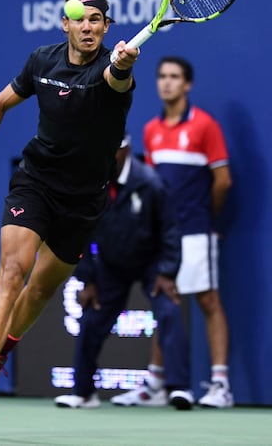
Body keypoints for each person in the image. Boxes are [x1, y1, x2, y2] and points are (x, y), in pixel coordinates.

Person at [0, 0, 139, 420]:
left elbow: (116, 81)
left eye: (96, 21)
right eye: (78, 19)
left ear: (107, 27)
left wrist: (124, 65)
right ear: (63, 23)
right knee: (12, 270)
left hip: (84, 200)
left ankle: (0, 349)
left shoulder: (113, 69)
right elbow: (0, 101)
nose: (87, 27)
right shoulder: (42, 60)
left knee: (41, 290)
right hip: (36, 182)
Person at [54, 134, 194, 411]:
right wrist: (88, 278)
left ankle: (179, 389)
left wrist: (167, 272)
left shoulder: (151, 182)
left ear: (126, 150)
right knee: (92, 320)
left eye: (112, 150)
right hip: (111, 265)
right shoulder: (92, 186)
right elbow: (79, 234)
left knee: (169, 311)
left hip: (151, 263)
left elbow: (171, 230)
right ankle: (84, 394)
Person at [138, 56, 233, 408]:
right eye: (162, 76)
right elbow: (150, 187)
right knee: (165, 304)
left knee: (208, 301)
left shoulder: (205, 126)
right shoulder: (150, 130)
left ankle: (221, 384)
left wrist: (208, 219)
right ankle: (156, 383)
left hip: (196, 230)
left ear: (187, 84)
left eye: (174, 77)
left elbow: (223, 182)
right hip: (164, 236)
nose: (167, 82)